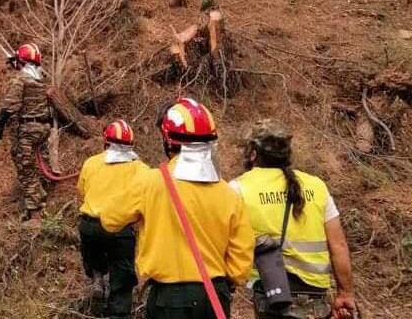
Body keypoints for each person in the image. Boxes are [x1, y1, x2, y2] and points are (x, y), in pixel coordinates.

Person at [98, 97, 255, 319]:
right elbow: (242, 256)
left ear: (168, 140)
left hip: (169, 299)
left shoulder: (149, 182)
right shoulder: (229, 193)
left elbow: (109, 218)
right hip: (215, 297)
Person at [231, 120, 358, 319]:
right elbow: (338, 245)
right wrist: (345, 293)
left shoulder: (239, 189)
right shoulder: (317, 187)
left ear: (253, 153)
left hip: (272, 292)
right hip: (315, 295)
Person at [77, 119, 148, 319]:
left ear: (105, 141)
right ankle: (118, 312)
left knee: (93, 255)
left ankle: (97, 277)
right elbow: (147, 199)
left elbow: (82, 191)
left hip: (89, 225)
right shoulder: (140, 169)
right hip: (121, 231)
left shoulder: (91, 162)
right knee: (122, 278)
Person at [0, 43, 52, 225]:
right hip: (42, 129)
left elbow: (10, 106)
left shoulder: (21, 80)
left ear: (22, 62)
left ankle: (36, 213)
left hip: (28, 130)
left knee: (25, 167)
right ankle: (39, 196)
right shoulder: (40, 79)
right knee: (27, 161)